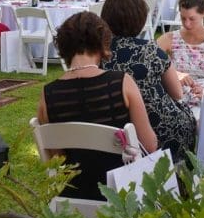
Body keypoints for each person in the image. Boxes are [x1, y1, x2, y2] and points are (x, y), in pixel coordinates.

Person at [37, 11, 158, 201]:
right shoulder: (122, 83)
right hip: (124, 192)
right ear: (103, 44)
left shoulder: (48, 94)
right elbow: (149, 145)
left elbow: (57, 159)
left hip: (74, 192)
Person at [100, 0, 196, 160]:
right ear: (140, 20)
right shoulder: (150, 50)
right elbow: (177, 93)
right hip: (163, 130)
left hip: (116, 136)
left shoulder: (100, 55)